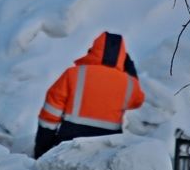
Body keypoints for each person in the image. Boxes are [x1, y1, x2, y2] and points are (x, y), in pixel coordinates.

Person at [34, 31, 145, 159]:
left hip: (70, 141)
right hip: (106, 147)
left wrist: (43, 148)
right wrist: (131, 71)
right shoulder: (129, 83)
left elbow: (50, 112)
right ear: (122, 57)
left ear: (94, 49)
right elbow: (137, 101)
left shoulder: (73, 74)